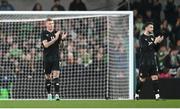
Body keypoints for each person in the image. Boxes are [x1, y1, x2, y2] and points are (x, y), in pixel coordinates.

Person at [135, 22, 164, 100]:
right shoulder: (141, 37)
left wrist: (158, 42)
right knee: (142, 80)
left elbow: (155, 49)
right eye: (151, 27)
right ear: (146, 28)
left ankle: (157, 96)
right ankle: (137, 94)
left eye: (152, 27)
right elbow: (144, 48)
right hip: (144, 62)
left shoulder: (152, 37)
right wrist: (154, 42)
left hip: (152, 61)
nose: (152, 29)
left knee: (155, 77)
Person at [41, 18, 67, 100]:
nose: (51, 25)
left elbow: (62, 47)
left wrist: (62, 39)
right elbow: (46, 45)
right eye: (49, 23)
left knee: (56, 76)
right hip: (47, 58)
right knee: (48, 77)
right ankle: (49, 94)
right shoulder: (44, 33)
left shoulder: (57, 33)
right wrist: (55, 38)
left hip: (55, 57)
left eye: (52, 23)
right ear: (46, 24)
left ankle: (57, 95)